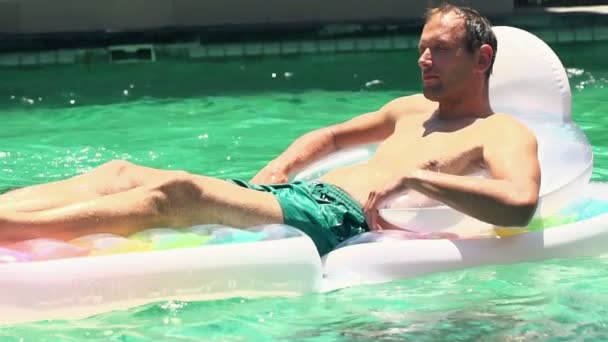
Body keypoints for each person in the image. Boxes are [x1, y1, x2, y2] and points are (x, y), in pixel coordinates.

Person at [0, 4, 540, 256]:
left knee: (179, 194)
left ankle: (9, 231)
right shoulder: (406, 108)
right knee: (118, 172)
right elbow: (328, 138)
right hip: (300, 197)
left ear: (481, 57)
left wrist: (421, 181)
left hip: (341, 222)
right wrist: (281, 169)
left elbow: (519, 205)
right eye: (421, 48)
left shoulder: (499, 132)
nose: (424, 60)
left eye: (439, 50)